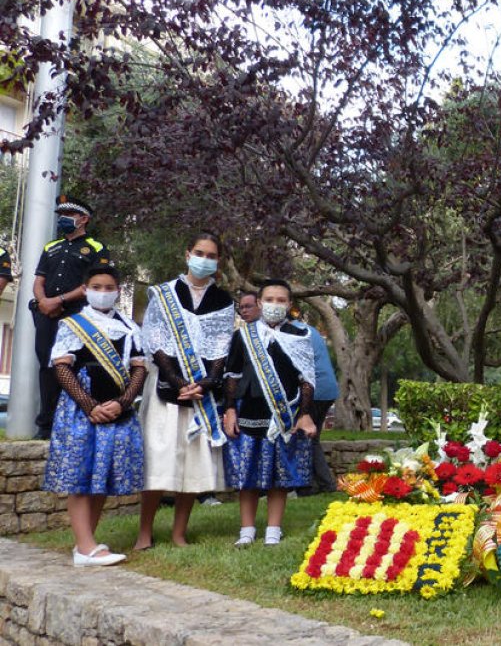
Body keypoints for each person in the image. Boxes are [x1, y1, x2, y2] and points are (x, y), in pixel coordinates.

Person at [42, 264, 146, 566]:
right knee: (81, 476)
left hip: (116, 408)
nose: (103, 293)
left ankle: (87, 543)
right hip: (81, 411)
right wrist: (89, 405)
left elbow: (138, 368)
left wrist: (124, 402)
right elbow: (62, 367)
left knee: (101, 476)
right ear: (85, 290)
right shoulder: (73, 324)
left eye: (109, 288)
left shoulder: (128, 327)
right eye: (97, 287)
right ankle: (86, 546)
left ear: (117, 291)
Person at [136, 233, 235, 549]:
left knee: (194, 462)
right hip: (166, 389)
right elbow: (155, 340)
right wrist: (178, 382)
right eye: (199, 252)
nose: (204, 259)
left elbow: (222, 347)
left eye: (211, 255)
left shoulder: (223, 301)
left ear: (217, 261)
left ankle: (179, 532)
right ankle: (144, 532)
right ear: (187, 253)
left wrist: (205, 383)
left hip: (201, 394)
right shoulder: (164, 293)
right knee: (157, 457)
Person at [222, 279, 318, 546]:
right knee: (248, 474)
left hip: (284, 412)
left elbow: (307, 378)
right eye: (270, 300)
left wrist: (305, 413)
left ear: (289, 305)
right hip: (250, 410)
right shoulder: (244, 335)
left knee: (279, 474)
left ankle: (274, 529)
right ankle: (247, 530)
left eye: (281, 300)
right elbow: (232, 373)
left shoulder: (300, 336)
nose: (275, 305)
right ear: (260, 303)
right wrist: (229, 408)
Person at [30, 195, 111, 440]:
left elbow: (94, 284)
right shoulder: (51, 247)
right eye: (61, 215)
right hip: (45, 313)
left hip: (75, 314)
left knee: (72, 367)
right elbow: (38, 280)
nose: (63, 219)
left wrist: (60, 300)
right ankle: (46, 424)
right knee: (47, 366)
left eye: (69, 215)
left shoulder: (96, 248)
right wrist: (44, 301)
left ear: (83, 219)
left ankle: (72, 421)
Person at [292, 311, 340, 495]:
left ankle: (308, 488)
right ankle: (325, 484)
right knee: (313, 439)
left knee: (304, 438)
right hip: (328, 388)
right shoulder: (309, 329)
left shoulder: (292, 332)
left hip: (313, 390)